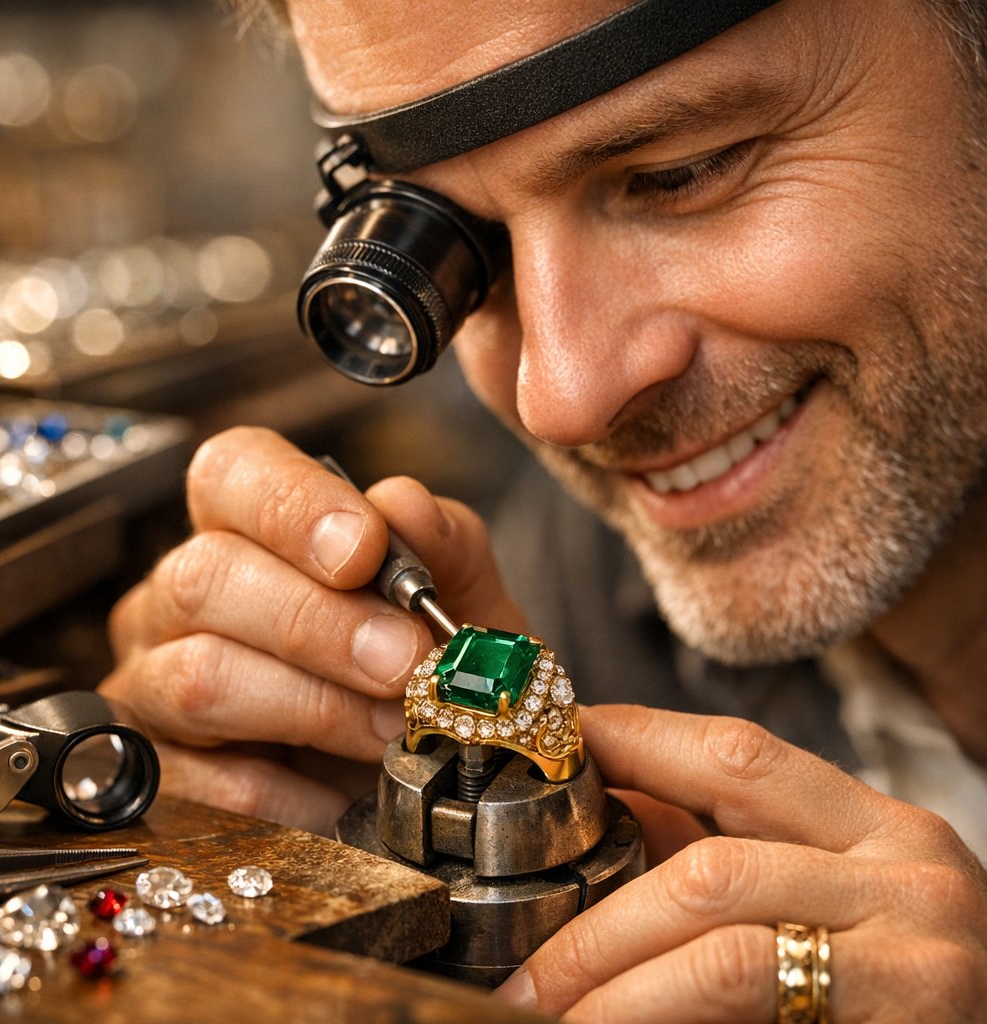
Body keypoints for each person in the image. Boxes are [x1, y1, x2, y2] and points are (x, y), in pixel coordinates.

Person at [100, 0, 987, 1019]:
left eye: (680, 171)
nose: (559, 397)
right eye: (463, 248)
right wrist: (347, 854)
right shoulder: (571, 587)